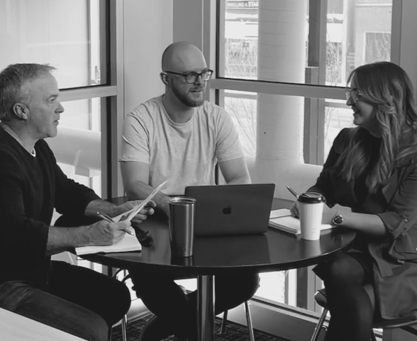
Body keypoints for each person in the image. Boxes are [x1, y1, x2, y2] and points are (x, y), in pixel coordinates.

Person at [0, 63, 155, 341]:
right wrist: (87, 235)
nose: (60, 108)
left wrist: (112, 210)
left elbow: (66, 192)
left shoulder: (37, 147)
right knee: (91, 329)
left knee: (114, 296)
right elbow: (17, 234)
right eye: (51, 100)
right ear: (21, 111)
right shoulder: (3, 160)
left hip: (35, 270)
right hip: (7, 283)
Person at [120, 41, 259, 340]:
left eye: (204, 73)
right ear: (165, 78)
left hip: (206, 224)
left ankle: (169, 324)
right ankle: (188, 324)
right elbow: (134, 185)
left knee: (245, 281)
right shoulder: (141, 119)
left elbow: (239, 179)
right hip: (156, 227)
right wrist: (174, 207)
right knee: (151, 281)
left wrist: (206, 212)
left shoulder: (217, 118)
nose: (199, 82)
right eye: (188, 75)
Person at [290, 61, 417, 341]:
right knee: (339, 271)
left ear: (386, 98)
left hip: (402, 259)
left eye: (357, 94)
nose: (349, 101)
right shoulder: (348, 140)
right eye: (351, 93)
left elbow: (395, 223)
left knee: (344, 301)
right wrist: (310, 201)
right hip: (357, 249)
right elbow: (324, 187)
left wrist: (336, 218)